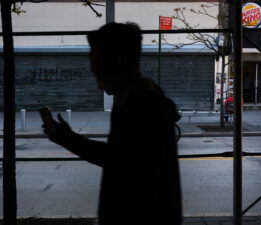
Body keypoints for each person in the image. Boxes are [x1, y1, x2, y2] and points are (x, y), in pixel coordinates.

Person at [43, 22, 182, 225]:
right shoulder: (134, 95)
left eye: (95, 59)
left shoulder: (139, 102)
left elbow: (119, 160)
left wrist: (68, 139)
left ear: (116, 60)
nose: (91, 68)